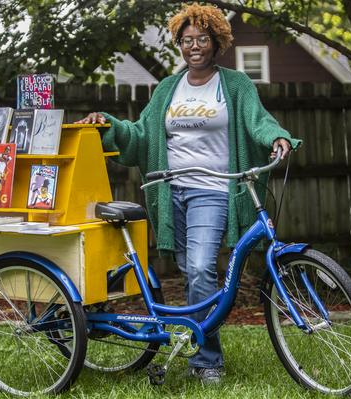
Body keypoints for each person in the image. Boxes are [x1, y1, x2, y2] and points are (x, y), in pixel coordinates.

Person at [75, 3, 301, 385]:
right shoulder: (168, 88)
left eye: (202, 39)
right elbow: (141, 134)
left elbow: (258, 122)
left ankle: (206, 360)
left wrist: (277, 137)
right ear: (180, 44)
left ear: (217, 42)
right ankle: (191, 340)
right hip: (170, 191)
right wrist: (109, 123)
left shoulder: (235, 85)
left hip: (212, 190)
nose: (194, 46)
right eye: (186, 40)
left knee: (199, 269)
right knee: (192, 272)